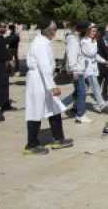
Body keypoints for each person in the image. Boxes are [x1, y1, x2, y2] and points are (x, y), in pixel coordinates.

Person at [24, 19, 73, 155]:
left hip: (43, 79)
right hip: (38, 81)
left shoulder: (44, 42)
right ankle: (31, 145)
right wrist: (52, 86)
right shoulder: (40, 44)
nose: (55, 32)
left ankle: (58, 139)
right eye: (53, 29)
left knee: (54, 108)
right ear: (46, 29)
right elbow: (44, 66)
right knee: (35, 111)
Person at [62, 21, 92, 123]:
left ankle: (64, 107)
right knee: (82, 92)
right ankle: (80, 115)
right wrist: (73, 69)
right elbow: (72, 56)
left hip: (79, 69)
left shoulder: (75, 39)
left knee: (78, 92)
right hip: (77, 70)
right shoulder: (73, 40)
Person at [80, 23, 108, 113]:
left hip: (92, 68)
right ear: (88, 31)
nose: (94, 33)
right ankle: (101, 104)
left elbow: (95, 55)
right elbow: (91, 53)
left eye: (95, 31)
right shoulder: (84, 41)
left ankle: (74, 103)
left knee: (83, 89)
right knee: (95, 86)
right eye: (92, 31)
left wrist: (105, 61)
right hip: (87, 68)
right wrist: (94, 42)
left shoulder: (92, 41)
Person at [0, 21, 15, 112]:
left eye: (5, 27)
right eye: (2, 27)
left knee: (4, 85)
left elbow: (4, 51)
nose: (4, 29)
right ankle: (0, 105)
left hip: (3, 65)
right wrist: (9, 60)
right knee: (0, 86)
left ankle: (5, 104)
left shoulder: (1, 38)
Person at [96, 26, 108, 101]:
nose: (106, 33)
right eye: (105, 31)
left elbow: (105, 49)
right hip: (103, 62)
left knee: (101, 79)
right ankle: (104, 94)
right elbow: (106, 51)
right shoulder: (102, 40)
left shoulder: (100, 39)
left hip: (102, 61)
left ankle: (100, 94)